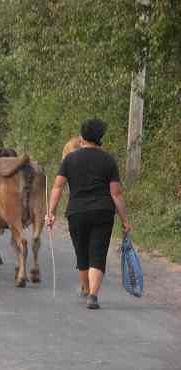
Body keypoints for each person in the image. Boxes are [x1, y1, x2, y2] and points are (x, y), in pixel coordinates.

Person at [46, 118, 131, 309]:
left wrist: (51, 212)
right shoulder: (108, 160)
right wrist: (125, 219)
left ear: (82, 137)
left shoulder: (70, 159)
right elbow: (116, 193)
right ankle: (93, 295)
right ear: (100, 138)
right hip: (103, 212)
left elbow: (58, 187)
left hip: (77, 212)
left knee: (82, 254)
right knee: (98, 253)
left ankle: (86, 288)